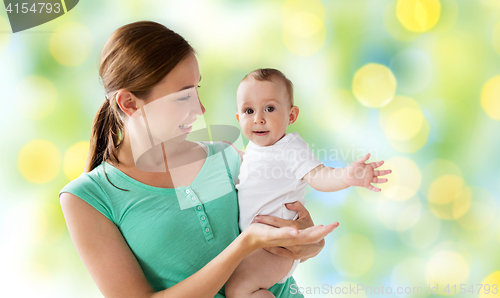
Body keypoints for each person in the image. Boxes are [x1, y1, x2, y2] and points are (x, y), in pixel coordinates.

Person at [59, 21, 338, 298]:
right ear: (129, 103)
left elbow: (291, 233)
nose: (199, 108)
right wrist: (244, 244)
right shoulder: (88, 198)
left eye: (197, 90)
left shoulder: (224, 156)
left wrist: (312, 243)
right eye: (183, 97)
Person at [225, 68, 392, 298]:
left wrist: (346, 175)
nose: (258, 118)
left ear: (291, 116)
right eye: (249, 110)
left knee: (239, 289)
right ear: (238, 118)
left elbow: (319, 176)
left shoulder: (290, 148)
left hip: (277, 248)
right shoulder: (252, 150)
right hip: (257, 245)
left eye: (270, 108)